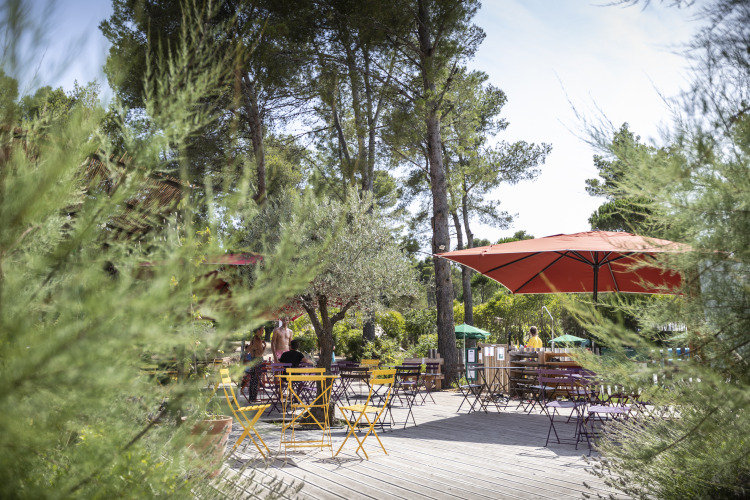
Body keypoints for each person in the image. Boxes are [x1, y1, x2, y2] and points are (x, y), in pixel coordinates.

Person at [242, 327, 266, 401]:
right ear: (258, 331)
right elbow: (260, 352)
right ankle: (253, 398)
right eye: (262, 330)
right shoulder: (257, 340)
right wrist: (264, 346)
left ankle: (251, 397)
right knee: (256, 379)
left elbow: (250, 349)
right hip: (257, 360)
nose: (263, 332)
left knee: (253, 379)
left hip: (253, 360)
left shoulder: (253, 339)